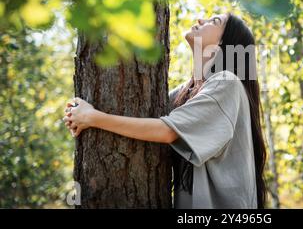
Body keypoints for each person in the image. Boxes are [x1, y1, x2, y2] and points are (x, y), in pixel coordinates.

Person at [63, 13, 267, 208]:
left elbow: (167, 130)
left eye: (213, 21)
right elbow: (147, 120)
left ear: (223, 44)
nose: (201, 19)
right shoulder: (188, 92)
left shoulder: (227, 83)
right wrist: (79, 114)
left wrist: (92, 117)